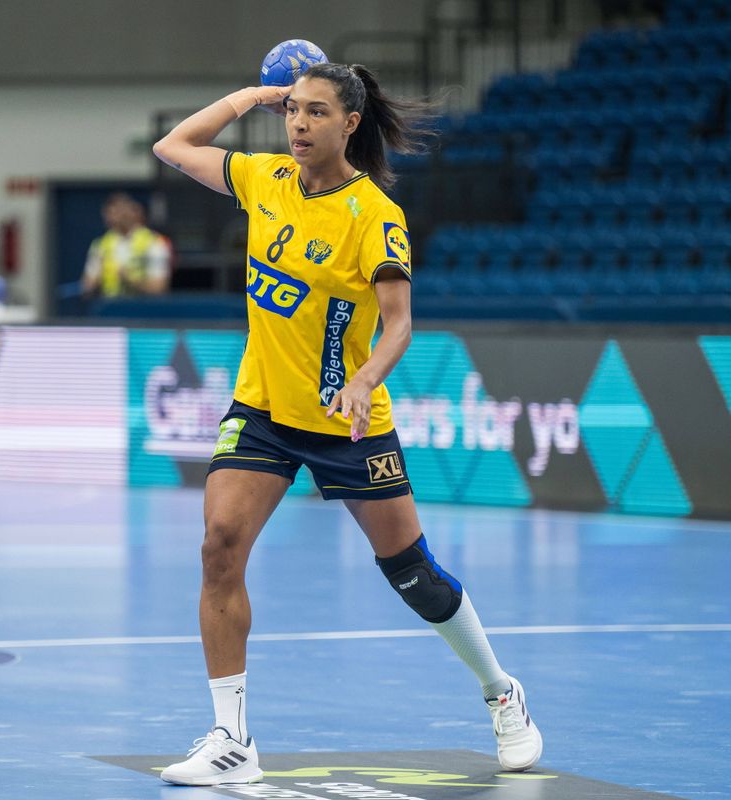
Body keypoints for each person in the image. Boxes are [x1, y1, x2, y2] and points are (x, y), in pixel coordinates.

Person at [150, 63, 542, 786]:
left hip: (346, 422)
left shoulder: (374, 215)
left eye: (316, 112)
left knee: (413, 575)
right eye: (292, 111)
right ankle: (231, 739)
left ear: (350, 124)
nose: (298, 125)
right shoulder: (264, 180)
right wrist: (248, 98)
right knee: (219, 547)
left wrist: (363, 380)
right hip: (264, 411)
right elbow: (174, 146)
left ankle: (501, 692)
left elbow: (399, 326)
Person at [80, 192, 171, 298]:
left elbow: (159, 287)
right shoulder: (101, 245)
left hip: (143, 308)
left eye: (117, 212)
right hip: (109, 308)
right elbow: (87, 285)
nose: (112, 218)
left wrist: (130, 280)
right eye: (109, 213)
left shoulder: (154, 242)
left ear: (131, 212)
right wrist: (92, 283)